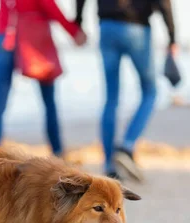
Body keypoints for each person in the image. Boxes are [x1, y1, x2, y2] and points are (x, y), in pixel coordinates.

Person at [75, 0, 177, 181]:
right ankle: (127, 147)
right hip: (136, 26)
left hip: (107, 27)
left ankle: (109, 165)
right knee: (150, 90)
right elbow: (164, 3)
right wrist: (172, 37)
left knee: (111, 98)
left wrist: (79, 20)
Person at [0, 0, 87, 158]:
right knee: (49, 100)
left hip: (5, 38)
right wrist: (75, 32)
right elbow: (52, 8)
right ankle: (57, 151)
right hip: (33, 41)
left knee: (1, 97)